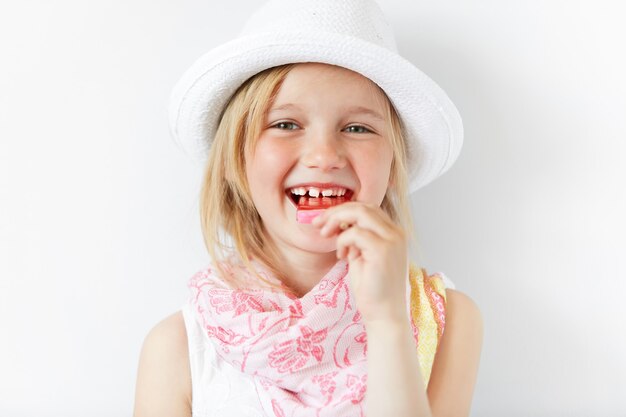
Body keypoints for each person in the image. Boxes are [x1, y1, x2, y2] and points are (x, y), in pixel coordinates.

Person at [134, 0, 482, 416]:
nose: (323, 155)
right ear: (233, 159)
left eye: (357, 128)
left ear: (394, 165)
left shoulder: (445, 320)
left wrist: (388, 323)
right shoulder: (178, 349)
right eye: (285, 124)